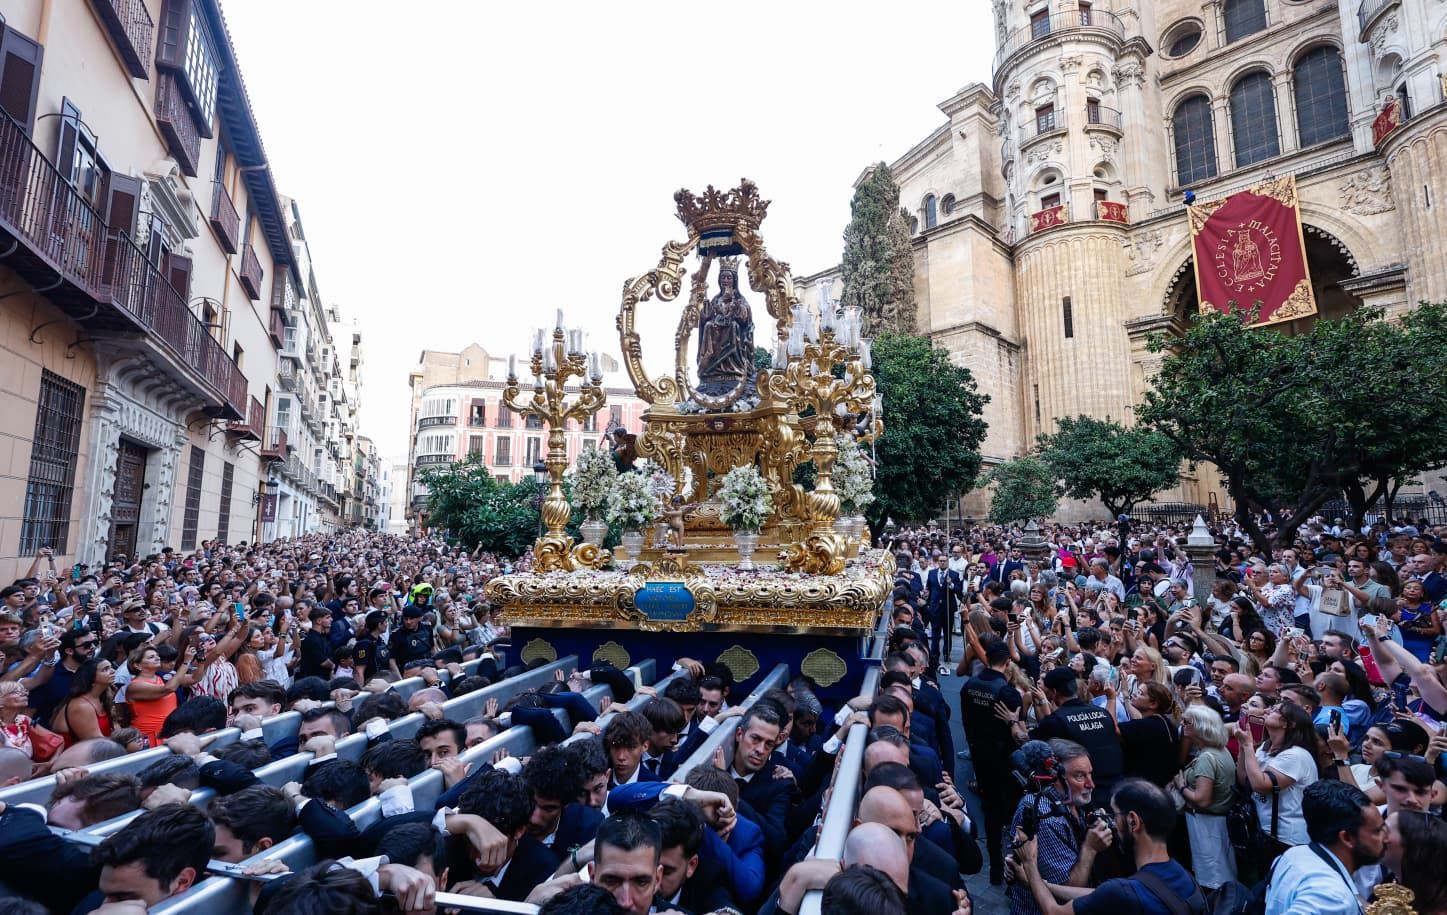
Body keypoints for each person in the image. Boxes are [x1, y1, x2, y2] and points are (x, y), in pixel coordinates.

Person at [1014, 778, 1201, 915]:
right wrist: (1047, 886)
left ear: (1133, 822)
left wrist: (1029, 863)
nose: (1110, 822)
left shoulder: (1123, 892)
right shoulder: (1186, 879)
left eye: (1114, 815)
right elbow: (1099, 895)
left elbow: (1054, 912)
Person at [1263, 780, 1386, 915]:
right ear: (1347, 838)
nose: (1386, 838)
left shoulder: (1294, 853)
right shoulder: (1332, 898)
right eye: (1377, 831)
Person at [1234, 699, 1318, 859]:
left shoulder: (1296, 755)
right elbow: (1244, 778)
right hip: (1264, 831)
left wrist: (1247, 745)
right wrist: (1244, 746)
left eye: (1274, 710)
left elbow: (1261, 785)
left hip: (1287, 838)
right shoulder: (1265, 747)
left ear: (1289, 723)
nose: (1266, 711)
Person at [1174, 705, 1237, 890]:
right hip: (1217, 822)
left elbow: (1202, 799)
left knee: (1212, 877)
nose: (1182, 725)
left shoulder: (1206, 758)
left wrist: (1181, 787)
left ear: (1201, 727)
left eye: (1187, 722)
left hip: (1207, 824)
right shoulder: (1221, 750)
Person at [50, 657, 115, 747]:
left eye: (111, 667)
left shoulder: (104, 696)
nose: (113, 671)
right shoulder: (81, 706)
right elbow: (97, 745)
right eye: (105, 669)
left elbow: (114, 728)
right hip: (79, 757)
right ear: (91, 678)